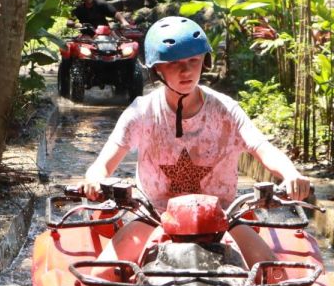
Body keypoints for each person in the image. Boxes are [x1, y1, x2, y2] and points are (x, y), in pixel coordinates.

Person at [83, 16, 310, 267]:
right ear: (157, 68)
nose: (187, 71)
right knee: (104, 272)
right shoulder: (142, 112)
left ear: (205, 61)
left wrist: (290, 174)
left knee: (271, 272)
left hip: (222, 216)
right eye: (175, 63)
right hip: (154, 215)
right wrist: (94, 179)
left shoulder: (225, 109)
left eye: (193, 60)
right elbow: (104, 162)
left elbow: (262, 148)